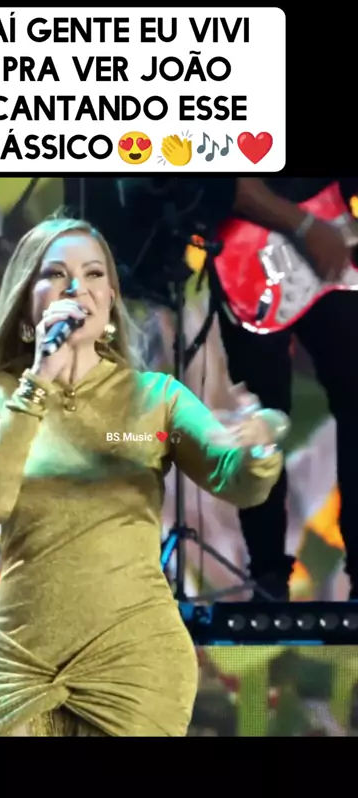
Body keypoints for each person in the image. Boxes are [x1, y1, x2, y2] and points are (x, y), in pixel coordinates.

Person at [0, 214, 284, 738]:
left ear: (110, 298)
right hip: (21, 657)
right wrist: (38, 382)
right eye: (56, 275)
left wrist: (257, 447)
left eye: (93, 274)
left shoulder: (156, 397)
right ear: (25, 298)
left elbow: (235, 479)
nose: (76, 288)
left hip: (135, 657)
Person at [114, 174, 358, 602]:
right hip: (257, 251)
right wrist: (303, 226)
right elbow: (225, 179)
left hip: (324, 241)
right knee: (261, 418)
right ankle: (267, 581)